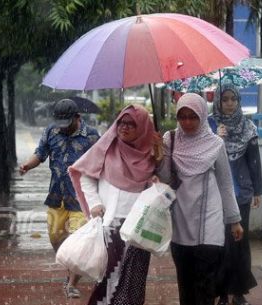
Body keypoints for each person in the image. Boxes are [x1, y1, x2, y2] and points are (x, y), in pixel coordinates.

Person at [68, 104, 160, 305]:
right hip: (110, 226)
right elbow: (86, 177)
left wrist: (156, 178)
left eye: (131, 124)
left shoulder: (152, 154)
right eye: (121, 123)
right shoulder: (106, 148)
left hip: (138, 230)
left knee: (133, 285)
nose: (124, 128)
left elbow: (162, 189)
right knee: (108, 280)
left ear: (143, 128)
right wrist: (94, 203)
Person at [158, 93, 244, 305]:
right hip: (180, 220)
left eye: (193, 116)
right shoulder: (169, 139)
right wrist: (159, 155)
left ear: (203, 115)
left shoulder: (215, 144)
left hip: (209, 222)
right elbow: (165, 179)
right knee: (185, 282)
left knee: (206, 284)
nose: (187, 122)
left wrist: (234, 219)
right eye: (182, 117)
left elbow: (225, 183)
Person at [19, 98, 100, 298]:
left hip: (81, 199)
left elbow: (102, 163)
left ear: (77, 118)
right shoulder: (51, 131)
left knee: (79, 241)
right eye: (60, 124)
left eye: (67, 124)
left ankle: (72, 283)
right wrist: (27, 165)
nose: (63, 128)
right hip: (57, 195)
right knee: (55, 237)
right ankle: (71, 267)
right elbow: (40, 153)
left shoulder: (91, 136)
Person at [211, 85, 262, 305]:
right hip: (217, 196)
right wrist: (216, 139)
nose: (230, 103)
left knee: (239, 243)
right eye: (225, 99)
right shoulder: (210, 126)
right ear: (217, 102)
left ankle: (239, 292)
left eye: (233, 99)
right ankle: (221, 292)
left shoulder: (248, 128)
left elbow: (254, 161)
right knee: (220, 244)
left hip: (241, 194)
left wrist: (258, 191)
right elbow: (203, 159)